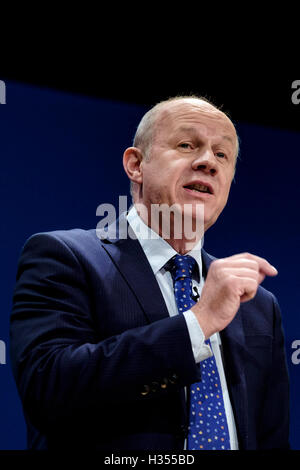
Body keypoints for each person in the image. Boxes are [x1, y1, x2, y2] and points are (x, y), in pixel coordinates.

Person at [10, 96, 290, 450]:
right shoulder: (65, 257)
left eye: (222, 154)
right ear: (136, 164)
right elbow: (47, 388)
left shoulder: (257, 305)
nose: (208, 162)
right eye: (187, 145)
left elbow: (271, 437)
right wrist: (198, 322)